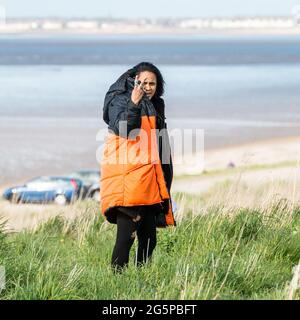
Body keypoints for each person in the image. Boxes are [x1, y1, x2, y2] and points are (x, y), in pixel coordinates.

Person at [100, 62, 176, 272]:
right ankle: (116, 282)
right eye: (143, 82)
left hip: (149, 179)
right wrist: (134, 104)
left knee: (149, 240)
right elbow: (125, 130)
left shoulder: (155, 104)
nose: (147, 87)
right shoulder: (120, 100)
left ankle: (140, 280)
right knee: (126, 238)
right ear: (134, 81)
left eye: (152, 83)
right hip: (129, 179)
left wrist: (166, 178)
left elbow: (159, 143)